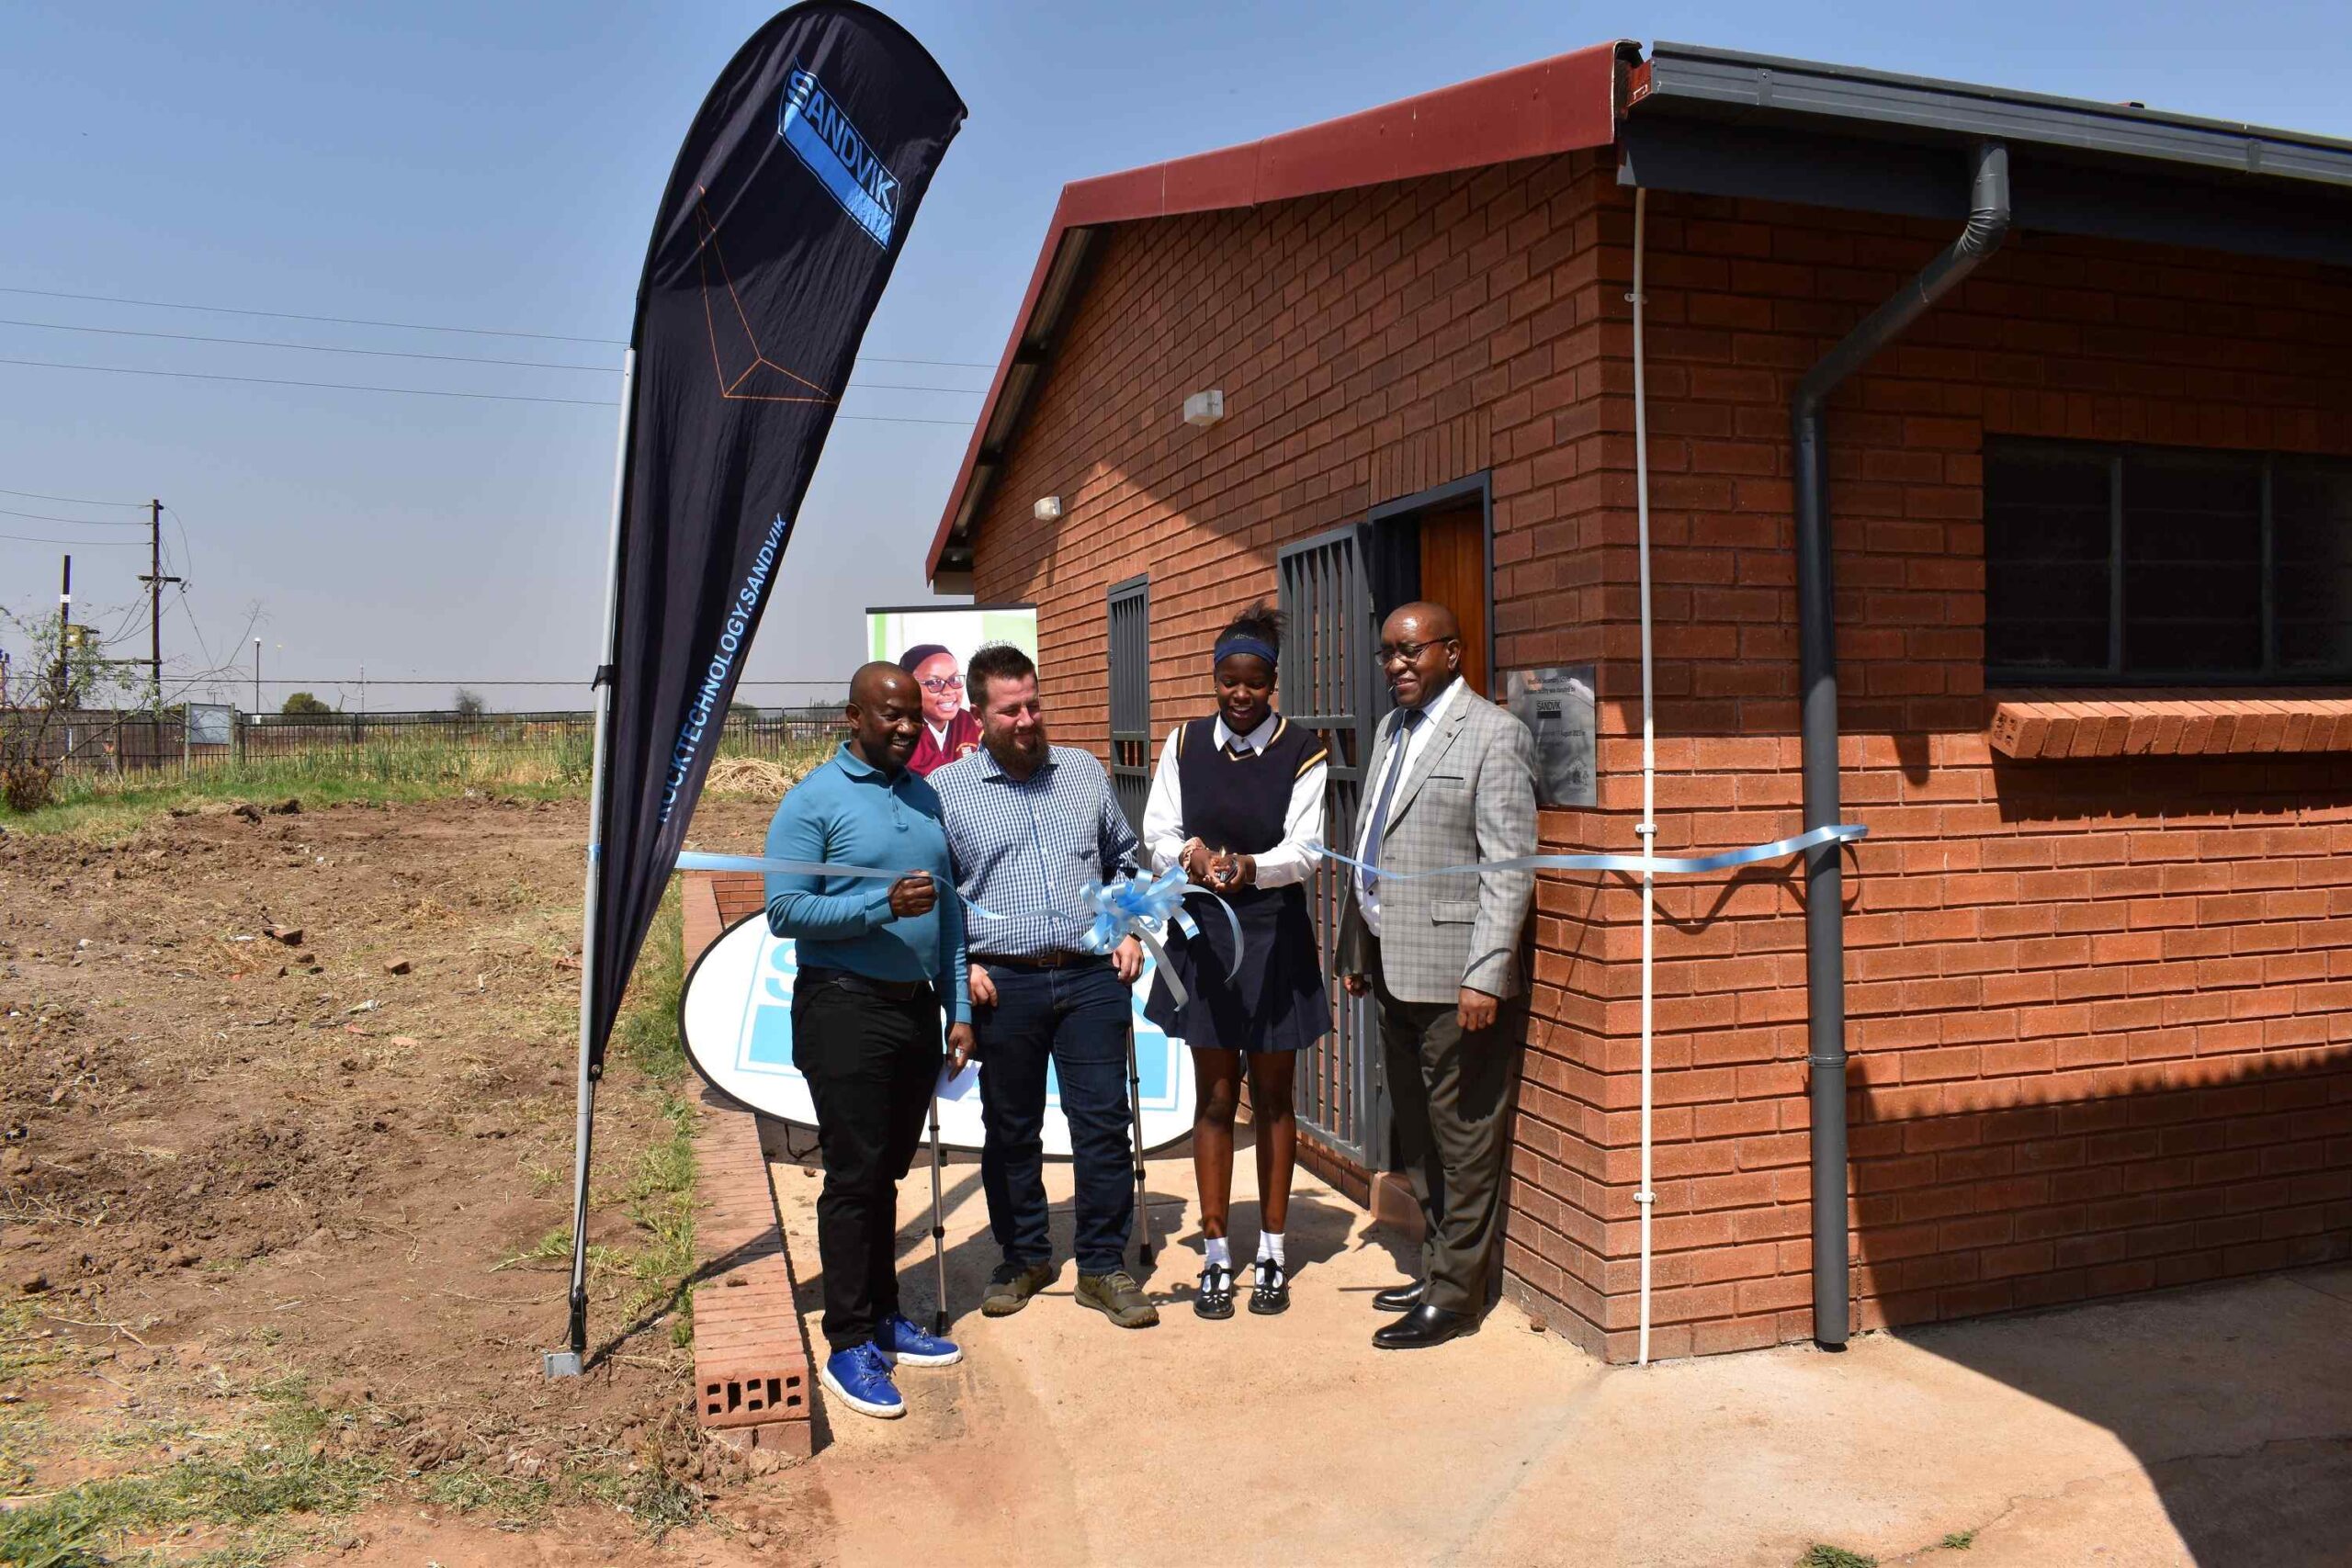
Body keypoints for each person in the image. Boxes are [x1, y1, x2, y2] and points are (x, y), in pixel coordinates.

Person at [763, 662, 976, 1419]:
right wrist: (877, 905)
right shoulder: (812, 801)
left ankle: (885, 1317)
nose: (907, 728)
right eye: (891, 715)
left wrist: (957, 1007)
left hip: (914, 1012)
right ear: (852, 716)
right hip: (842, 1007)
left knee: (886, 1174)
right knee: (853, 1177)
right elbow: (785, 911)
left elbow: (948, 914)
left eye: (915, 716)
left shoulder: (925, 796)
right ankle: (848, 1340)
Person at [930, 643, 1159, 1331]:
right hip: (1003, 983)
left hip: (1092, 977)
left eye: (1034, 703)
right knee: (1011, 1129)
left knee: (1102, 1126)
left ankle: (1101, 1265)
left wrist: (1126, 928)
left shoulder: (1084, 773)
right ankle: (1024, 1255)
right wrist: (961, 966)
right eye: (1011, 709)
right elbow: (942, 896)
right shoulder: (947, 792)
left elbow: (1125, 859)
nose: (1027, 719)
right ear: (978, 715)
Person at [1336, 602, 1537, 1350]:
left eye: (1411, 652)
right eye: (1388, 653)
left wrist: (1486, 974)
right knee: (1417, 1133)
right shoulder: (1392, 730)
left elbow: (1508, 871)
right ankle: (1435, 1265)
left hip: (1459, 983)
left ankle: (1456, 1296)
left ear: (1452, 652)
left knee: (1464, 1137)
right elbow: (1371, 845)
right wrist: (1359, 946)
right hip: (1394, 968)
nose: (1396, 666)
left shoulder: (1495, 734)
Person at [1139, 603, 1329, 1319]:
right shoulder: (1184, 742)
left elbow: (1307, 850)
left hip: (1273, 934)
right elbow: (1158, 830)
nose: (1240, 694)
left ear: (1272, 681)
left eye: (1253, 682)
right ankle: (1218, 1251)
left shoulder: (1304, 750)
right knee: (1216, 1099)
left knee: (1275, 1099)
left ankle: (1273, 1251)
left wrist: (1249, 867)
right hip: (1205, 938)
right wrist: (1189, 854)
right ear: (1215, 679)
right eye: (1227, 680)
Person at [899, 643, 982, 776]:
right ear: (908, 686)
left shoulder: (974, 723)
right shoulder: (900, 731)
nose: (949, 691)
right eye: (934, 683)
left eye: (954, 679)